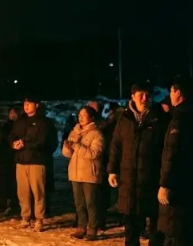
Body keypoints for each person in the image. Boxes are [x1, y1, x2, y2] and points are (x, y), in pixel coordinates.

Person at [108, 83, 169, 246]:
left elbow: (167, 150)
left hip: (152, 179)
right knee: (131, 227)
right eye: (140, 94)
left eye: (147, 95)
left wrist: (165, 181)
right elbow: (116, 145)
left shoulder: (160, 118)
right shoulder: (125, 118)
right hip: (129, 182)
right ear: (133, 97)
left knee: (156, 228)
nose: (144, 98)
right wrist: (112, 170)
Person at [61, 106, 104, 240]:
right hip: (75, 173)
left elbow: (94, 153)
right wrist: (67, 148)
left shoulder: (97, 134)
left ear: (91, 118)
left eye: (84, 115)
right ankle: (81, 227)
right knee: (79, 203)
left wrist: (77, 146)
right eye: (79, 115)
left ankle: (92, 229)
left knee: (91, 203)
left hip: (89, 174)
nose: (80, 117)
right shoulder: (74, 131)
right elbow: (67, 154)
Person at [158, 77, 192, 245]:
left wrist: (166, 184)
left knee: (177, 232)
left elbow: (173, 153)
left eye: (171, 91)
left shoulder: (180, 119)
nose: (170, 95)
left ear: (178, 93)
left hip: (179, 186)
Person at [10, 96, 50, 232]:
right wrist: (13, 143)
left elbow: (43, 141)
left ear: (37, 105)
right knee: (22, 191)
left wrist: (24, 144)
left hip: (36, 161)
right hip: (21, 160)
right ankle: (25, 216)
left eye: (29, 103)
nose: (26, 106)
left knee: (38, 191)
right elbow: (12, 135)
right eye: (25, 103)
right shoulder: (20, 121)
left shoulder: (43, 122)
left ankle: (39, 219)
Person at [0, 108, 20, 216]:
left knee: (15, 183)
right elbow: (1, 142)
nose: (12, 114)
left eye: (14, 112)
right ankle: (3, 203)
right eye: (11, 112)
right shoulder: (5, 127)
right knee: (4, 182)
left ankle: (15, 204)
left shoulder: (20, 126)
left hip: (17, 158)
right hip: (6, 158)